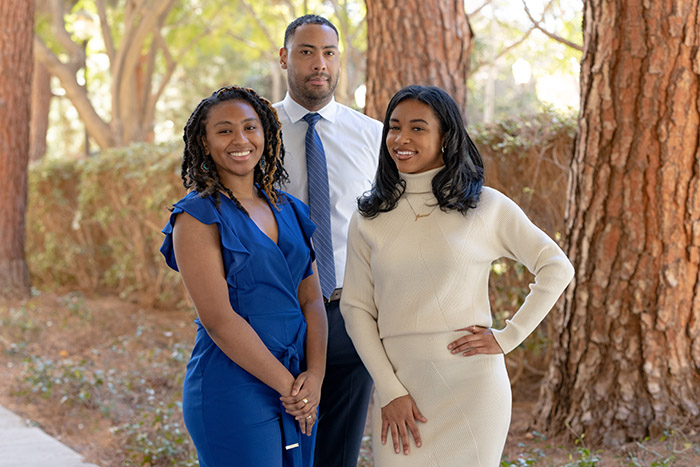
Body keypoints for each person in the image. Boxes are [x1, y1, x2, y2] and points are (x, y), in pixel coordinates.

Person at [340, 85, 575, 467]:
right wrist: (389, 390)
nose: (401, 139)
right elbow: (355, 309)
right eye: (394, 127)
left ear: (445, 137)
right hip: (399, 388)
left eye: (418, 128)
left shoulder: (485, 206)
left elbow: (556, 267)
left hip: (472, 388)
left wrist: (508, 336)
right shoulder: (369, 217)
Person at [159, 85, 327, 467]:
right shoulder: (197, 216)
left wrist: (314, 376)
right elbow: (218, 320)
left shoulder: (293, 210)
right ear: (204, 142)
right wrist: (291, 390)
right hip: (234, 384)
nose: (240, 139)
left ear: (266, 135)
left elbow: (312, 300)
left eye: (250, 127)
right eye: (224, 130)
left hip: (300, 379)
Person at [273, 14, 382, 467]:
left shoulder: (373, 136)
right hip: (278, 314)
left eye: (329, 53)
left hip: (351, 313)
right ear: (284, 58)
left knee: (338, 450)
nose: (320, 64)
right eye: (306, 52)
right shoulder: (257, 132)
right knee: (278, 442)